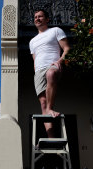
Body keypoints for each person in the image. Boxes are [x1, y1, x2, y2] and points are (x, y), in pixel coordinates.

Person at [29, 10, 70, 138]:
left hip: (53, 65)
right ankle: (50, 137)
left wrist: (60, 60)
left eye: (40, 16)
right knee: (42, 103)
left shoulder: (56, 30)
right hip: (39, 70)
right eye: (35, 17)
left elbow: (67, 48)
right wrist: (36, 71)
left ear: (47, 19)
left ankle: (50, 109)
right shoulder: (32, 41)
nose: (37, 19)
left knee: (51, 74)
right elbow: (35, 59)